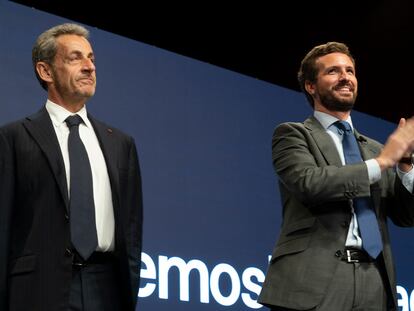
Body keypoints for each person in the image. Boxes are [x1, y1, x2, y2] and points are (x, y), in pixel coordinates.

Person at [258, 41, 414, 311]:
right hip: (314, 281)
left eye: (350, 71)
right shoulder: (293, 134)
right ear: (310, 85)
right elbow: (309, 183)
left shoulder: (375, 149)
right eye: (333, 71)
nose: (345, 78)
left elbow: (405, 216)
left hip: (375, 281)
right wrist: (382, 163)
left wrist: (405, 166)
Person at [0, 23, 143, 311]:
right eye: (75, 58)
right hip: (37, 291)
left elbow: (131, 232)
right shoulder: (13, 138)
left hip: (107, 289)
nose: (89, 67)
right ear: (46, 71)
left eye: (91, 58)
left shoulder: (121, 144)